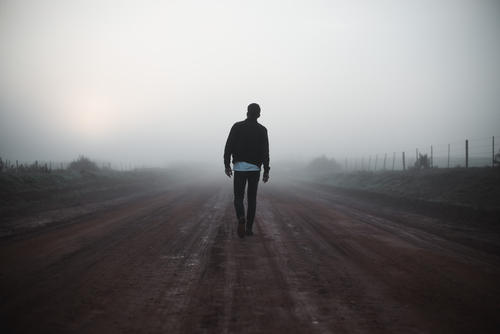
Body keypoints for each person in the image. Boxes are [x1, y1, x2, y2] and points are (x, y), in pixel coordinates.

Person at [224, 103, 270, 238]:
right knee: (252, 199)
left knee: (238, 197)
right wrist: (266, 170)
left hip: (239, 168)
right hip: (255, 169)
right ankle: (249, 228)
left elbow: (228, 147)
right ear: (259, 115)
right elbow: (265, 152)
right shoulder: (262, 130)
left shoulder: (237, 126)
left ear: (247, 113)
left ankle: (240, 216)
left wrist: (227, 165)